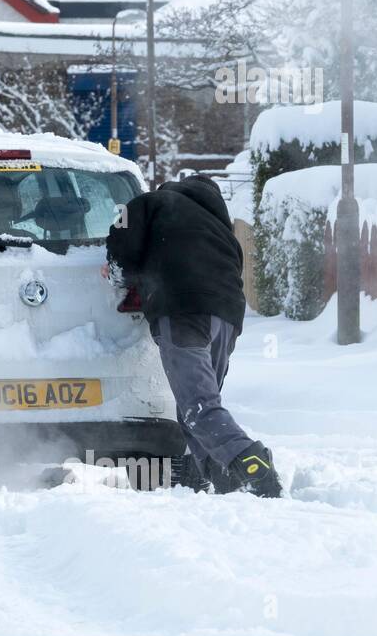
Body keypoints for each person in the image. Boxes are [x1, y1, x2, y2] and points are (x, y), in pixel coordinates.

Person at [105, 174, 282, 497]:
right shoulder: (220, 229)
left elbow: (122, 233)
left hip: (183, 312)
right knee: (196, 407)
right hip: (227, 320)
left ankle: (253, 464)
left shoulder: (155, 203)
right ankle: (224, 477)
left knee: (198, 406)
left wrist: (120, 273)